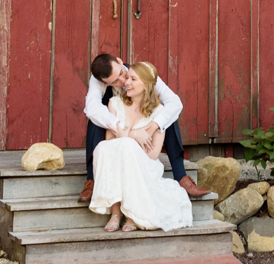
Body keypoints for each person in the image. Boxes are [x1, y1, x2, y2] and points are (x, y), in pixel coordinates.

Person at [78, 53, 215, 201]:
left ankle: (181, 176)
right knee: (95, 119)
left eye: (122, 73)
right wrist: (129, 131)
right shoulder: (98, 80)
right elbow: (92, 108)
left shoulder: (142, 72)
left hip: (144, 121)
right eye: (115, 81)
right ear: (106, 83)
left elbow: (174, 102)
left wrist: (155, 124)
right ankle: (91, 180)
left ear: (119, 61)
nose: (124, 81)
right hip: (118, 124)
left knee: (168, 115)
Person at [87, 61, 194, 233]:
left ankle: (133, 213)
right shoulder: (114, 103)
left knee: (127, 146)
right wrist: (134, 135)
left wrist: (129, 139)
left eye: (130, 78)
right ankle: (115, 212)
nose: (125, 83)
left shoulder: (158, 111)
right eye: (122, 80)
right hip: (119, 156)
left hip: (145, 165)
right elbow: (108, 139)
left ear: (146, 85)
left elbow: (152, 154)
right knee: (103, 147)